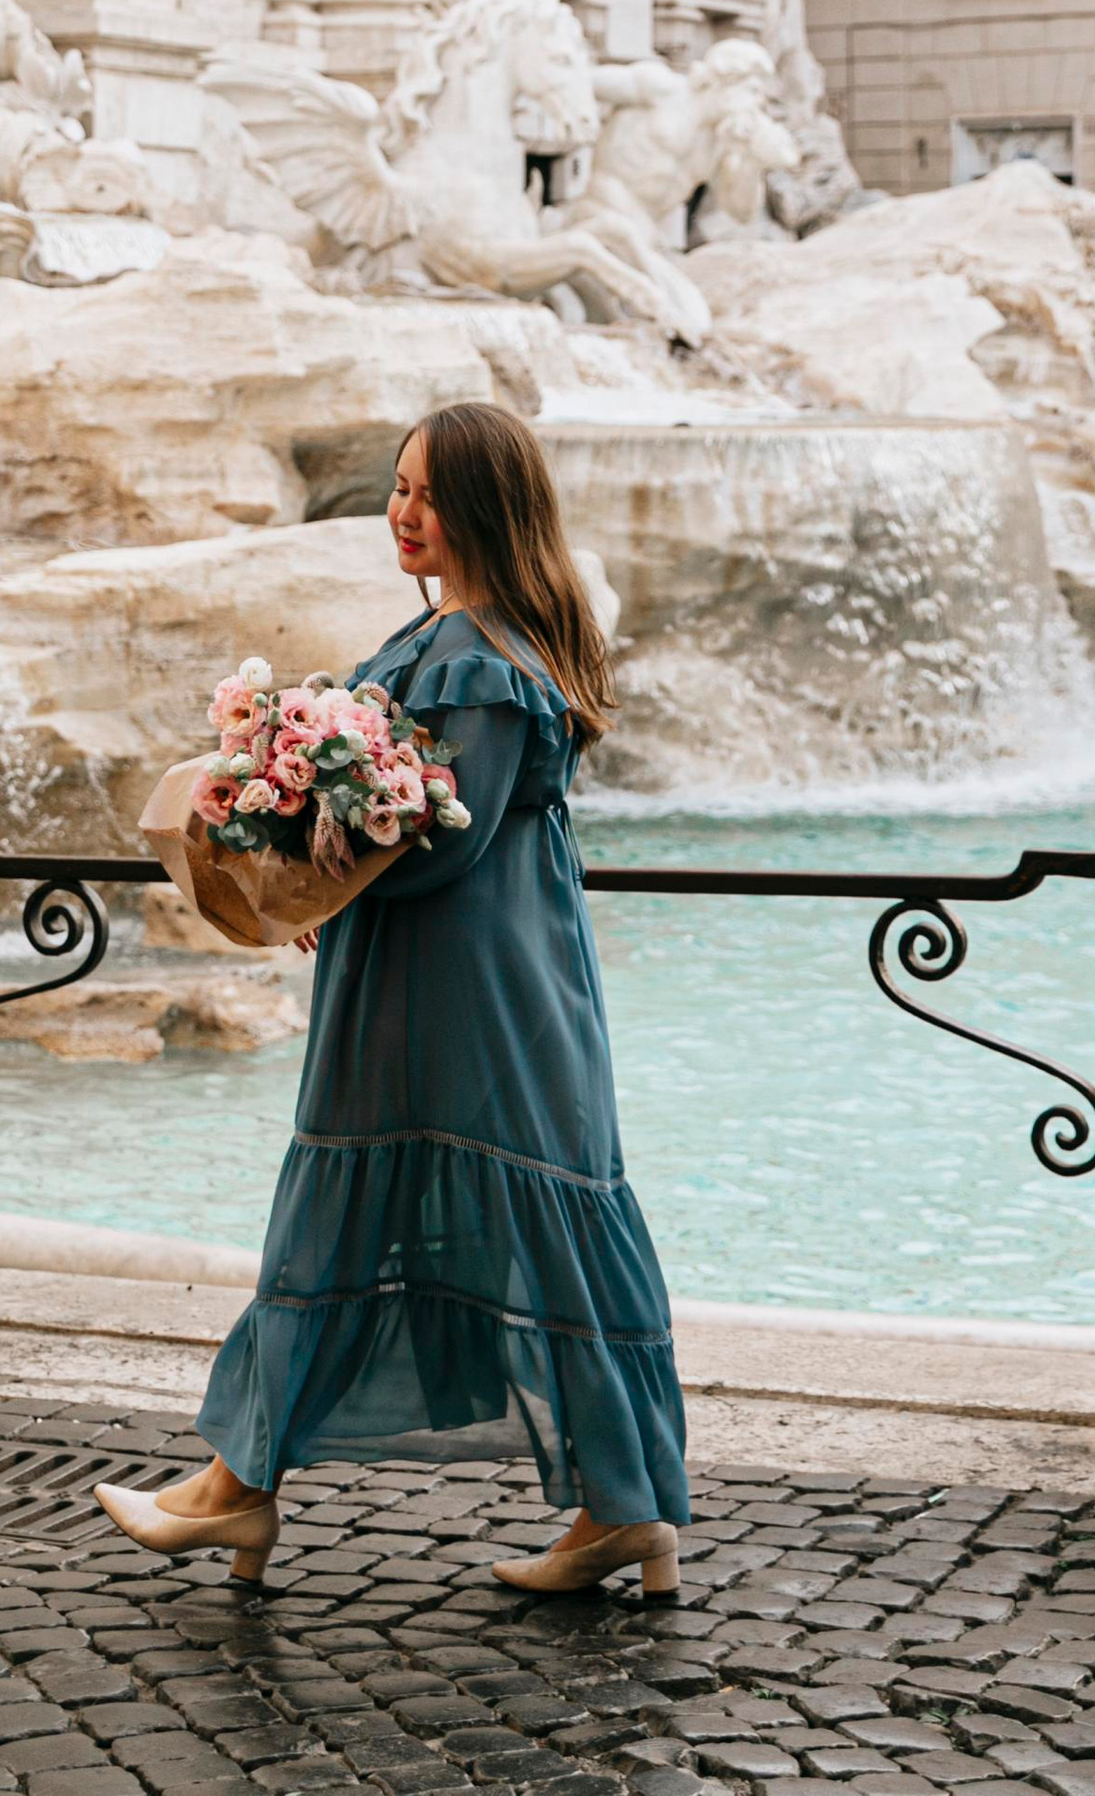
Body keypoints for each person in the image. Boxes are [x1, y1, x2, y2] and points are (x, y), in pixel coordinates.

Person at [94, 400, 688, 1594]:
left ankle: (241, 1492)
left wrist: (315, 872)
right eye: (397, 487)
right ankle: (615, 1510)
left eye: (424, 492)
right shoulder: (466, 640)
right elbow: (413, 826)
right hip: (467, 980)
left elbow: (439, 843)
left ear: (483, 505)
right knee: (496, 1221)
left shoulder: (478, 654)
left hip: (464, 993)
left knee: (370, 1215)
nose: (400, 512)